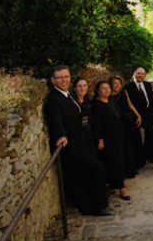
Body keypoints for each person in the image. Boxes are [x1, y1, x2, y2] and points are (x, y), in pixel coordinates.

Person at [44, 66, 112, 216]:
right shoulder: (54, 100)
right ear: (53, 80)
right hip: (71, 146)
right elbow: (55, 120)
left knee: (80, 176)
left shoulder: (67, 95)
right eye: (60, 77)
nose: (64, 80)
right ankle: (98, 206)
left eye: (66, 76)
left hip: (81, 143)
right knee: (97, 168)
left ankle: (86, 207)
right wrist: (60, 135)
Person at [92, 80, 130, 200]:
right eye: (103, 88)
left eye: (108, 88)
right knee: (116, 162)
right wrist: (100, 139)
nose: (107, 90)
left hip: (117, 137)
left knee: (118, 160)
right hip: (107, 139)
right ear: (97, 91)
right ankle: (122, 188)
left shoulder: (110, 100)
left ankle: (115, 183)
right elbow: (97, 124)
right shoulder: (97, 105)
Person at [124, 67, 153, 166]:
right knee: (137, 138)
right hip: (136, 115)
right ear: (134, 73)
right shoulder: (128, 87)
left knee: (150, 134)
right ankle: (139, 158)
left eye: (143, 74)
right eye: (139, 73)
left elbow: (152, 100)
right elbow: (128, 104)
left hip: (149, 115)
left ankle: (150, 155)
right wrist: (135, 115)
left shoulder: (148, 85)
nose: (141, 75)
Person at [109, 75, 141, 179]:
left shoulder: (124, 92)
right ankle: (124, 171)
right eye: (115, 83)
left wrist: (138, 115)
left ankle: (131, 169)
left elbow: (130, 105)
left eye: (119, 83)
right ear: (110, 84)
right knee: (121, 147)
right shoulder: (108, 95)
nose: (117, 85)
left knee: (129, 146)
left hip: (128, 122)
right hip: (117, 124)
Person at [71, 76, 96, 154]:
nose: (82, 88)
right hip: (77, 136)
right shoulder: (71, 103)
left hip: (89, 134)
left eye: (85, 85)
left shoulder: (89, 102)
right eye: (79, 86)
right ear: (75, 88)